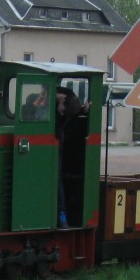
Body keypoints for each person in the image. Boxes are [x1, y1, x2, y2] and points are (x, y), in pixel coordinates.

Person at [54, 87, 83, 229]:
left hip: (56, 148)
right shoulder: (59, 105)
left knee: (57, 180)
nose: (61, 111)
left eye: (63, 110)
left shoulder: (62, 116)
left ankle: (61, 214)